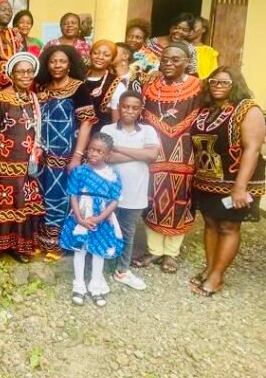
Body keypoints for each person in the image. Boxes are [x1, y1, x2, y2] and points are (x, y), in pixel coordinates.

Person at [190, 67, 266, 297]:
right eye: (214, 82)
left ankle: (217, 276)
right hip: (207, 179)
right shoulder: (206, 109)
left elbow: (252, 149)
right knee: (211, 223)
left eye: (224, 82)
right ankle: (209, 268)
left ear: (236, 85)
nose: (218, 86)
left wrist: (240, 187)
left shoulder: (247, 109)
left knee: (228, 226)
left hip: (236, 181)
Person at [139, 43, 202, 273]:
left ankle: (171, 253)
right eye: (165, 59)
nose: (168, 63)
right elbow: (142, 113)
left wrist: (174, 130)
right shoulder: (150, 85)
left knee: (180, 199)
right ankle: (154, 250)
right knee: (153, 197)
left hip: (184, 151)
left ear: (187, 62)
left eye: (175, 60)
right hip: (154, 150)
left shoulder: (198, 87)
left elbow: (199, 116)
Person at [0, 52, 44, 264]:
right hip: (3, 162)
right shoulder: (2, 98)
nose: (26, 75)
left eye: (29, 71)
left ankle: (15, 246)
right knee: (0, 204)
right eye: (20, 72)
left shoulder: (33, 98)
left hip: (26, 164)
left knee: (20, 204)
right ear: (12, 75)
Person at [36, 44, 96, 256]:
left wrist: (77, 156)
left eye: (62, 61)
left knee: (61, 197)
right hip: (41, 154)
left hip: (65, 153)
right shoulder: (42, 88)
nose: (57, 65)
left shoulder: (78, 88)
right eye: (53, 61)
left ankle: (59, 243)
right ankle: (42, 240)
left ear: (70, 64)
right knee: (41, 195)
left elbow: (86, 122)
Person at [58, 133, 125, 307]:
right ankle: (79, 286)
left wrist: (99, 218)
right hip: (80, 215)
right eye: (92, 149)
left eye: (99, 151)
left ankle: (96, 287)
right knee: (79, 250)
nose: (94, 153)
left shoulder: (113, 175)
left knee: (98, 252)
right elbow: (73, 194)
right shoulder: (79, 171)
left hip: (101, 218)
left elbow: (115, 200)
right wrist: (79, 218)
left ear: (108, 154)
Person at [101, 90, 158, 291]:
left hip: (135, 193)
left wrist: (118, 148)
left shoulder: (148, 131)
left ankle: (122, 270)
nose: (129, 111)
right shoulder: (107, 129)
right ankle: (99, 270)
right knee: (104, 230)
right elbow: (107, 157)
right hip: (109, 193)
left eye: (134, 108)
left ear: (141, 110)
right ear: (119, 107)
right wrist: (140, 154)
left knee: (128, 233)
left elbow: (152, 155)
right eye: (125, 106)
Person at [81, 40, 118, 131]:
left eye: (106, 55)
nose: (100, 57)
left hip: (99, 135)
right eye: (96, 53)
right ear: (90, 54)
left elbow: (116, 124)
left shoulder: (116, 84)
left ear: (112, 59)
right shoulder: (79, 77)